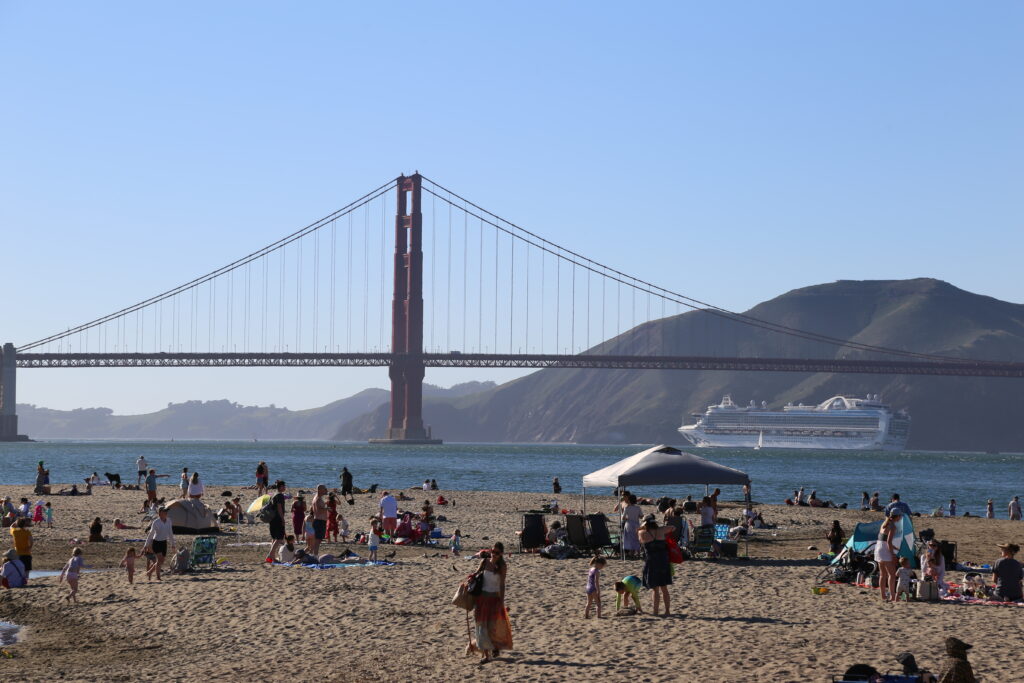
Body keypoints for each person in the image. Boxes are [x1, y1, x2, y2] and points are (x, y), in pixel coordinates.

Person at [473, 543, 512, 662]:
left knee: (493, 627)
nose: (494, 555)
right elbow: (475, 576)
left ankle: (495, 648)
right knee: (481, 627)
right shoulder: (485, 562)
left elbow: (502, 585)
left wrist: (502, 601)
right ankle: (486, 655)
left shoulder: (502, 566)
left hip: (494, 599)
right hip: (482, 598)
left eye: (497, 553)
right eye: (493, 551)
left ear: (501, 554)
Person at [638, 518, 673, 615]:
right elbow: (672, 528)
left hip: (652, 562)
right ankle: (667, 611)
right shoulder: (661, 530)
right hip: (663, 561)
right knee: (664, 588)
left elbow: (639, 536)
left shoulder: (642, 533)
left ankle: (655, 611)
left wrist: (643, 526)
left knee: (655, 589)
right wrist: (661, 527)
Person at [143, 506, 176, 581]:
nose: (166, 513)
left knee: (161, 561)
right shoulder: (156, 522)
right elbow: (151, 534)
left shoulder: (169, 521)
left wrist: (173, 544)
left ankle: (150, 572)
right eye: (165, 511)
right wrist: (146, 545)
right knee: (160, 559)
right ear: (160, 513)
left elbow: (170, 533)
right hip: (156, 543)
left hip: (164, 542)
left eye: (166, 511)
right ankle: (158, 577)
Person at [874, 510, 901, 602]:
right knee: (892, 575)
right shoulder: (892, 526)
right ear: (897, 517)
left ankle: (883, 595)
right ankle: (892, 596)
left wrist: (894, 547)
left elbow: (883, 539)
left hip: (878, 547)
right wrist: (893, 554)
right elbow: (888, 541)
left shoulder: (884, 523)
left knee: (882, 574)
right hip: (884, 549)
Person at [614, 494, 643, 559]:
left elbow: (623, 518)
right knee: (636, 538)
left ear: (629, 500)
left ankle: (631, 553)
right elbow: (641, 516)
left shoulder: (627, 508)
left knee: (629, 539)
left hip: (629, 524)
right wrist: (636, 516)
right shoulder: (638, 508)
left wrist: (628, 518)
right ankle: (638, 553)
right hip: (636, 524)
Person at [266, 480, 288, 563]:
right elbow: (279, 508)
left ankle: (272, 557)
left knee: (274, 538)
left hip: (272, 519)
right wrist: (282, 519)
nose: (285, 487)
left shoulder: (273, 495)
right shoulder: (279, 495)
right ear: (281, 487)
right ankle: (270, 556)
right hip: (277, 519)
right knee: (279, 538)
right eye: (284, 486)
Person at [309, 484, 329, 555]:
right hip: (319, 521)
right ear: (320, 490)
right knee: (317, 541)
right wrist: (327, 509)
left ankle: (312, 555)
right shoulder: (318, 499)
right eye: (324, 489)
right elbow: (318, 511)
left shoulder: (317, 498)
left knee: (316, 541)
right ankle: (315, 556)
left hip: (319, 521)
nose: (326, 490)